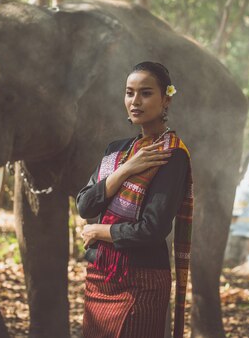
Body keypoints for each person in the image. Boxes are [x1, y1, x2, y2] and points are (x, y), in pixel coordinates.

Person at [76, 61, 194, 338]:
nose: (135, 101)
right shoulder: (116, 151)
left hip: (140, 282)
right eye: (129, 93)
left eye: (146, 93)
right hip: (100, 277)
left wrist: (99, 231)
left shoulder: (171, 155)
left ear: (166, 99)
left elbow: (152, 230)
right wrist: (127, 169)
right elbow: (85, 205)